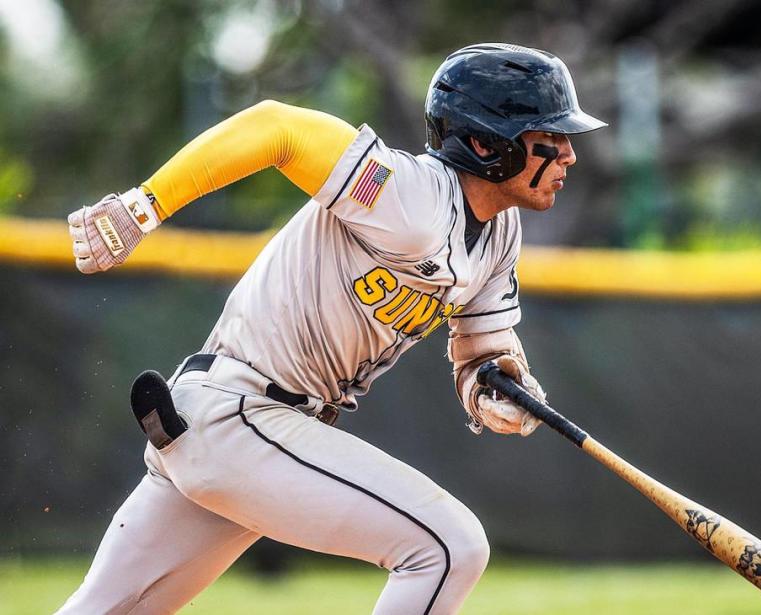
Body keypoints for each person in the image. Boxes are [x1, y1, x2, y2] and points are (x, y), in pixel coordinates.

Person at [58, 42, 605, 614]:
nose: (568, 155)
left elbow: (482, 350)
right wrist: (145, 207)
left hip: (244, 430)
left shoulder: (499, 234)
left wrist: (494, 386)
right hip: (238, 415)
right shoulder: (409, 196)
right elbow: (278, 127)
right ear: (485, 143)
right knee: (449, 548)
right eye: (550, 139)